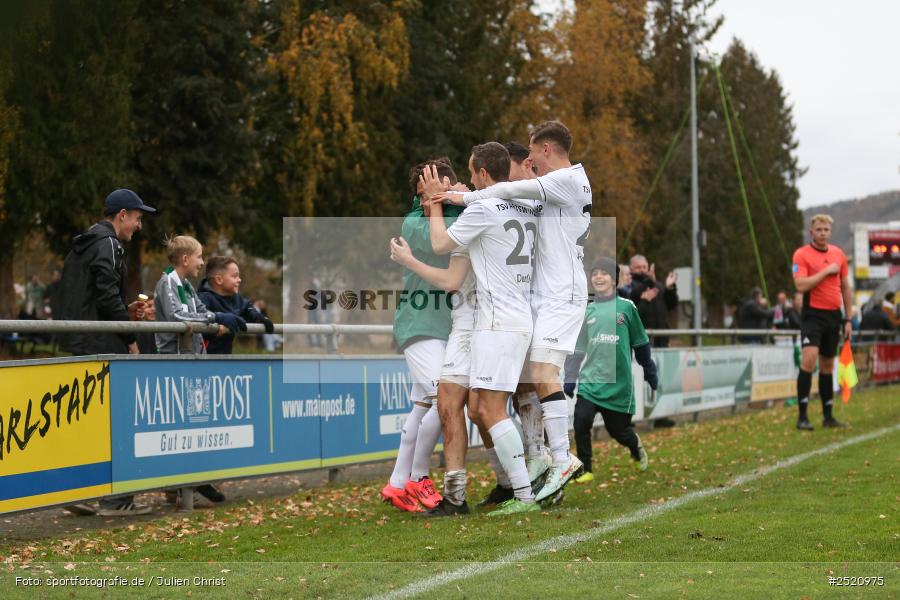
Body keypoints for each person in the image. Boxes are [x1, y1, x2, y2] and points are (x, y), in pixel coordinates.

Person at [433, 120, 591, 504]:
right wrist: (465, 192)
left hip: (551, 297)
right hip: (536, 301)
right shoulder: (547, 193)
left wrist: (451, 199)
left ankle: (557, 461)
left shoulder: (564, 180)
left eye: (533, 154)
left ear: (548, 149)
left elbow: (506, 190)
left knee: (527, 384)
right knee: (528, 384)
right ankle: (541, 462)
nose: (529, 161)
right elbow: (513, 196)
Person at [426, 141, 541, 515]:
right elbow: (477, 200)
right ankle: (519, 485)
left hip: (496, 320)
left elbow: (442, 243)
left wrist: (433, 207)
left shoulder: (486, 208)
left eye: (472, 172)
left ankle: (525, 493)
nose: (470, 178)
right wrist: (459, 196)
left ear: (484, 174)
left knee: (490, 410)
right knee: (479, 406)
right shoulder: (522, 205)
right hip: (519, 316)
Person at [60, 188, 155, 516]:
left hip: (80, 340)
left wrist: (123, 309)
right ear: (123, 214)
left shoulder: (85, 244)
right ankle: (116, 500)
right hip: (100, 344)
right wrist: (130, 336)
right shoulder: (108, 244)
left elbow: (94, 296)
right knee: (111, 421)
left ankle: (77, 490)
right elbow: (105, 295)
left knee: (84, 420)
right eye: (137, 218)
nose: (138, 227)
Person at [380, 158, 463, 513]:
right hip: (419, 323)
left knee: (423, 406)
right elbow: (440, 243)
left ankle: (397, 484)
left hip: (442, 325)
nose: (426, 200)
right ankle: (418, 477)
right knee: (445, 398)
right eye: (421, 195)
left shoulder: (456, 210)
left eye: (431, 193)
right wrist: (438, 205)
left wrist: (463, 196)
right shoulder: (415, 222)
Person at [155, 236, 242, 507]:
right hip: (176, 362)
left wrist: (220, 318)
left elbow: (202, 311)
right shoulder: (168, 282)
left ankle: (192, 483)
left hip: (193, 360)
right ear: (185, 259)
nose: (202, 262)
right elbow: (179, 317)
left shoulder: (187, 286)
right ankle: (183, 487)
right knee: (180, 425)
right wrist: (212, 322)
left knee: (198, 423)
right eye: (199, 257)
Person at [564, 257, 657, 480]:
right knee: (581, 421)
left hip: (618, 385)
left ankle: (635, 446)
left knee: (618, 432)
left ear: (614, 279)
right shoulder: (588, 311)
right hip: (591, 382)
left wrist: (649, 370)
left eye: (603, 273)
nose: (598, 277)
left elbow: (641, 343)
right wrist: (570, 377)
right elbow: (578, 348)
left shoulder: (627, 307)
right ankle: (585, 468)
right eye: (594, 273)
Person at [792, 214, 852, 431]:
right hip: (812, 315)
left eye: (826, 230)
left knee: (827, 365)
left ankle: (828, 416)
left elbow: (845, 287)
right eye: (819, 230)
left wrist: (848, 319)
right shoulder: (801, 254)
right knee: (809, 359)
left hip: (833, 315)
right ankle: (802, 416)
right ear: (811, 232)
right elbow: (800, 285)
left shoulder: (839, 254)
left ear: (831, 232)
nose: (823, 233)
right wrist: (826, 271)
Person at [198, 256, 274, 355]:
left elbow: (248, 308)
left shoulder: (236, 298)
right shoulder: (202, 299)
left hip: (225, 358)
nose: (239, 280)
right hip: (203, 360)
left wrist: (260, 318)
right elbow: (201, 320)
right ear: (219, 280)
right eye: (235, 276)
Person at [628, 254, 678, 348]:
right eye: (638, 267)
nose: (642, 269)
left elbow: (672, 305)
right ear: (631, 269)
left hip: (661, 338)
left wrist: (670, 289)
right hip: (640, 339)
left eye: (644, 267)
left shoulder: (658, 286)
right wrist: (649, 282)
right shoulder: (629, 286)